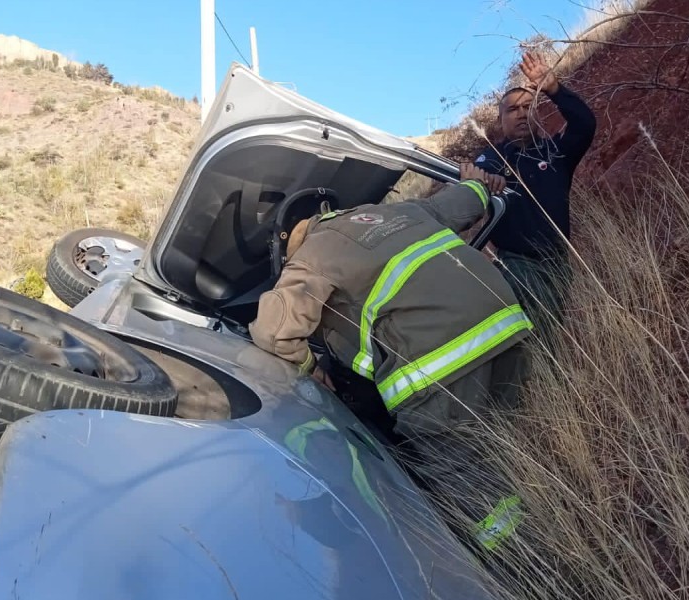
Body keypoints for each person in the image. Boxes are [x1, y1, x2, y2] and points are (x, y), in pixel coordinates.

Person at [248, 166, 533, 556]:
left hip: (440, 361)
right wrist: (477, 181)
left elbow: (271, 330)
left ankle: (521, 560)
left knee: (464, 474)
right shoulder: (394, 213)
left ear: (287, 244)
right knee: (504, 440)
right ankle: (547, 514)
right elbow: (467, 201)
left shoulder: (312, 253)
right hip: (507, 330)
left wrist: (310, 370)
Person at [473, 51, 597, 348]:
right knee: (538, 339)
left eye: (528, 106)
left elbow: (585, 124)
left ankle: (543, 386)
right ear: (500, 121)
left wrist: (554, 88)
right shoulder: (493, 156)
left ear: (537, 113)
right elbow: (477, 177)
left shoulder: (556, 153)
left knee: (549, 332)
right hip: (517, 264)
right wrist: (483, 180)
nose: (521, 113)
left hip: (558, 262)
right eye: (512, 110)